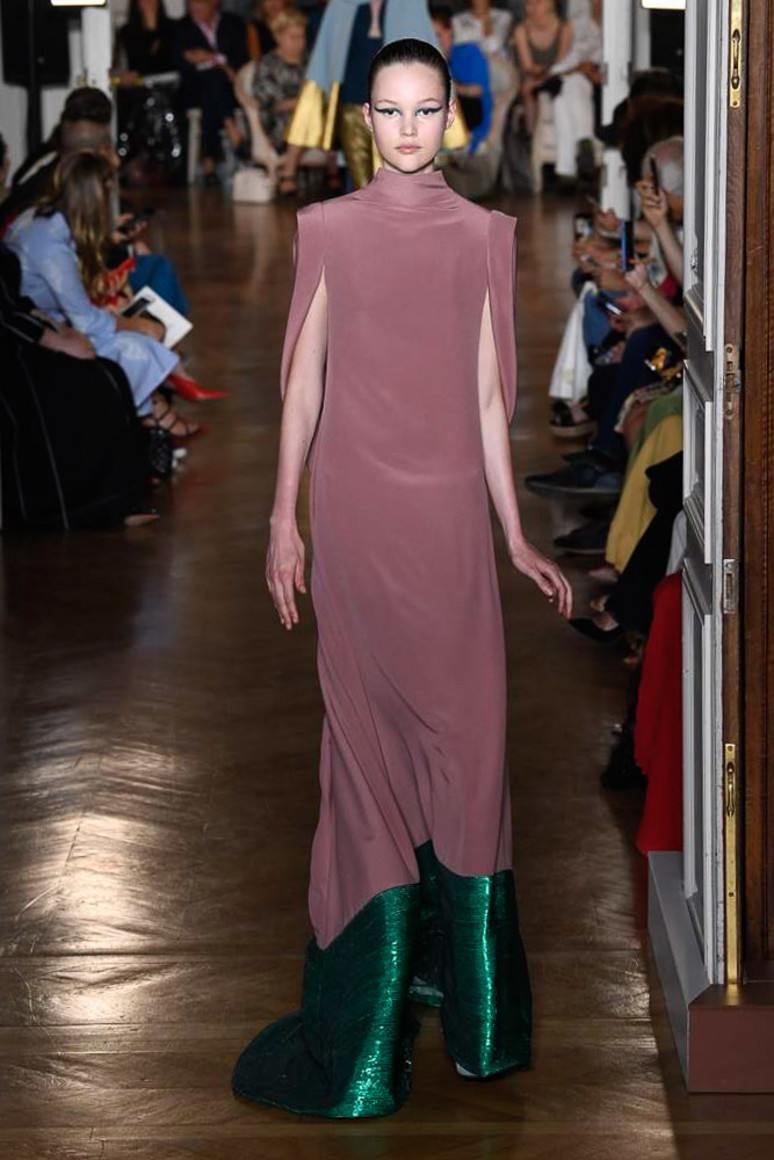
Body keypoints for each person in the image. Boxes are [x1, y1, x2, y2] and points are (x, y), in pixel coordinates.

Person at [232, 36, 572, 1119]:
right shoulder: (326, 229)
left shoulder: (485, 236)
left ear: (449, 120)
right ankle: (391, 1036)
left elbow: (488, 401)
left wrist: (514, 536)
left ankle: (459, 1023)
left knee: (470, 751)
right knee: (368, 752)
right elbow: (303, 387)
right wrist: (283, 521)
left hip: (451, 532)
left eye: (428, 109)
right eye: (391, 109)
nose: (410, 128)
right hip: (359, 525)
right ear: (365, 120)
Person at [5, 152, 201, 440]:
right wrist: (139, 326)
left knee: (138, 323)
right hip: (38, 337)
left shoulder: (41, 219)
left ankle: (155, 404)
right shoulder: (51, 246)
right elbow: (85, 322)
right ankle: (154, 410)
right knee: (136, 344)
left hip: (40, 322)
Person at [0, 244, 158, 530]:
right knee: (88, 383)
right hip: (12, 354)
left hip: (19, 339)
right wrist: (54, 340)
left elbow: (15, 303)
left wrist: (58, 329)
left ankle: (120, 496)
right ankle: (79, 504)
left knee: (108, 373)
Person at [284, 0, 468, 190]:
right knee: (360, 184)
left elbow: (427, 55)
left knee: (401, 180)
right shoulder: (341, 5)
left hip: (400, 109)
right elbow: (325, 59)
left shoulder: (410, 5)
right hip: (352, 103)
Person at [176, 0, 250, 181]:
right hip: (195, 90)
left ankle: (209, 161)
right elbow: (180, 61)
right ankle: (233, 131)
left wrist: (208, 59)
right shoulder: (182, 27)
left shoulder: (233, 23)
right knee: (213, 81)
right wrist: (220, 63)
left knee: (213, 90)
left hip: (230, 89)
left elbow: (241, 59)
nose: (194, 6)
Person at [252, 7, 308, 194]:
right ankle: (288, 174)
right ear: (278, 36)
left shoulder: (309, 61)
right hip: (277, 121)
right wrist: (299, 104)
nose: (298, 42)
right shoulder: (268, 64)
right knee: (304, 116)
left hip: (310, 116)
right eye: (293, 37)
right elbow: (269, 103)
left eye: (301, 36)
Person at [431, 4, 493, 154]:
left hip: (473, 119)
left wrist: (448, 86)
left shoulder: (468, 52)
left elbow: (478, 90)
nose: (434, 41)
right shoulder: (430, 60)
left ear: (450, 31)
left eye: (438, 35)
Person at [512, 0, 571, 136]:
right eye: (529, 4)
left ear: (551, 4)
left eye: (538, 3)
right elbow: (528, 66)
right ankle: (531, 134)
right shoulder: (521, 30)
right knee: (528, 87)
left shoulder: (564, 28)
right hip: (531, 77)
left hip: (557, 75)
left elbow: (562, 64)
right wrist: (539, 75)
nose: (533, 8)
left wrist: (545, 75)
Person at [116, 0, 178, 76]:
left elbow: (168, 62)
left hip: (167, 79)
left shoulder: (172, 27)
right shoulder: (126, 32)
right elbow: (133, 63)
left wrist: (152, 30)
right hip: (138, 80)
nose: (149, 2)